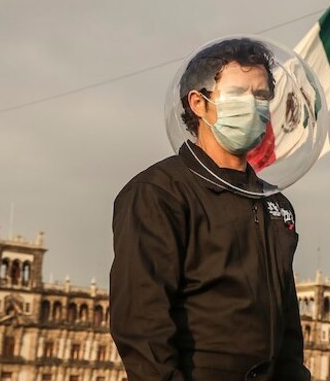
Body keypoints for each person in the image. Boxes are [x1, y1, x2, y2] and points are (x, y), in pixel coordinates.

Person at [110, 37, 311, 381]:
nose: (252, 106)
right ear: (199, 103)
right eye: (237, 94)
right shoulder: (160, 193)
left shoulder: (275, 205)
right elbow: (142, 324)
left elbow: (288, 329)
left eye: (261, 96)